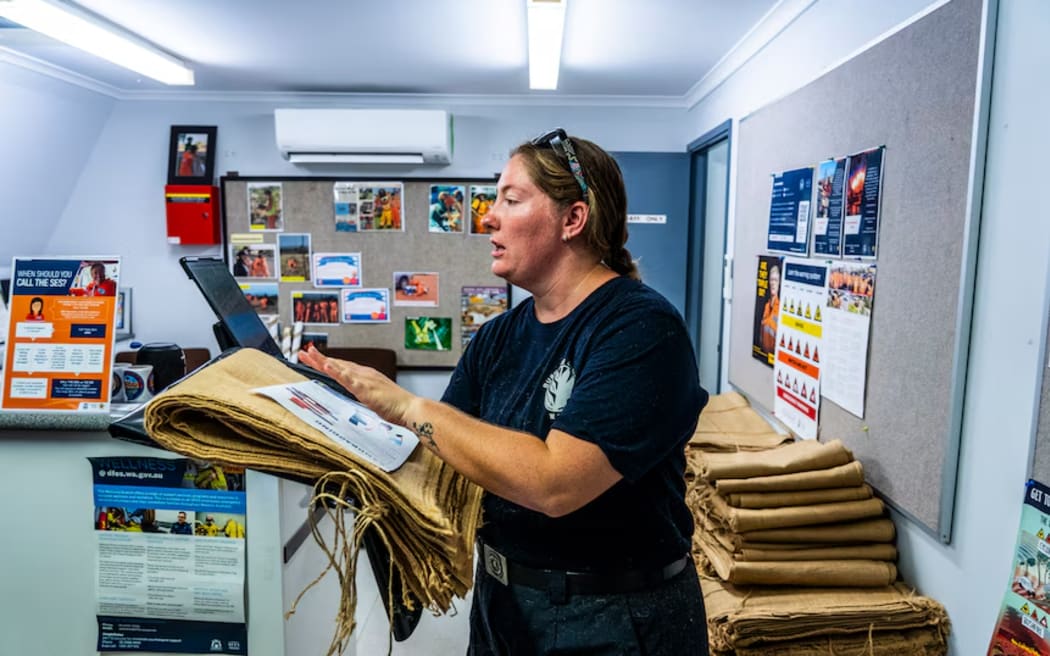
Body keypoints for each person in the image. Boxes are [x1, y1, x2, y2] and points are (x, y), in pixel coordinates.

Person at [300, 128, 709, 655]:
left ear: (573, 219)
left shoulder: (640, 328)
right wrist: (326, 428)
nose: (487, 216)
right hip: (504, 607)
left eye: (510, 200)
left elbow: (555, 483)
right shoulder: (499, 336)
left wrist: (406, 405)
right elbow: (444, 453)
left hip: (614, 618)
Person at [760, 262, 781, 354]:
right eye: (771, 280)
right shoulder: (767, 306)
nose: (773, 283)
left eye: (775, 280)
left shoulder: (780, 308)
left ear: (779, 283)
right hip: (764, 353)